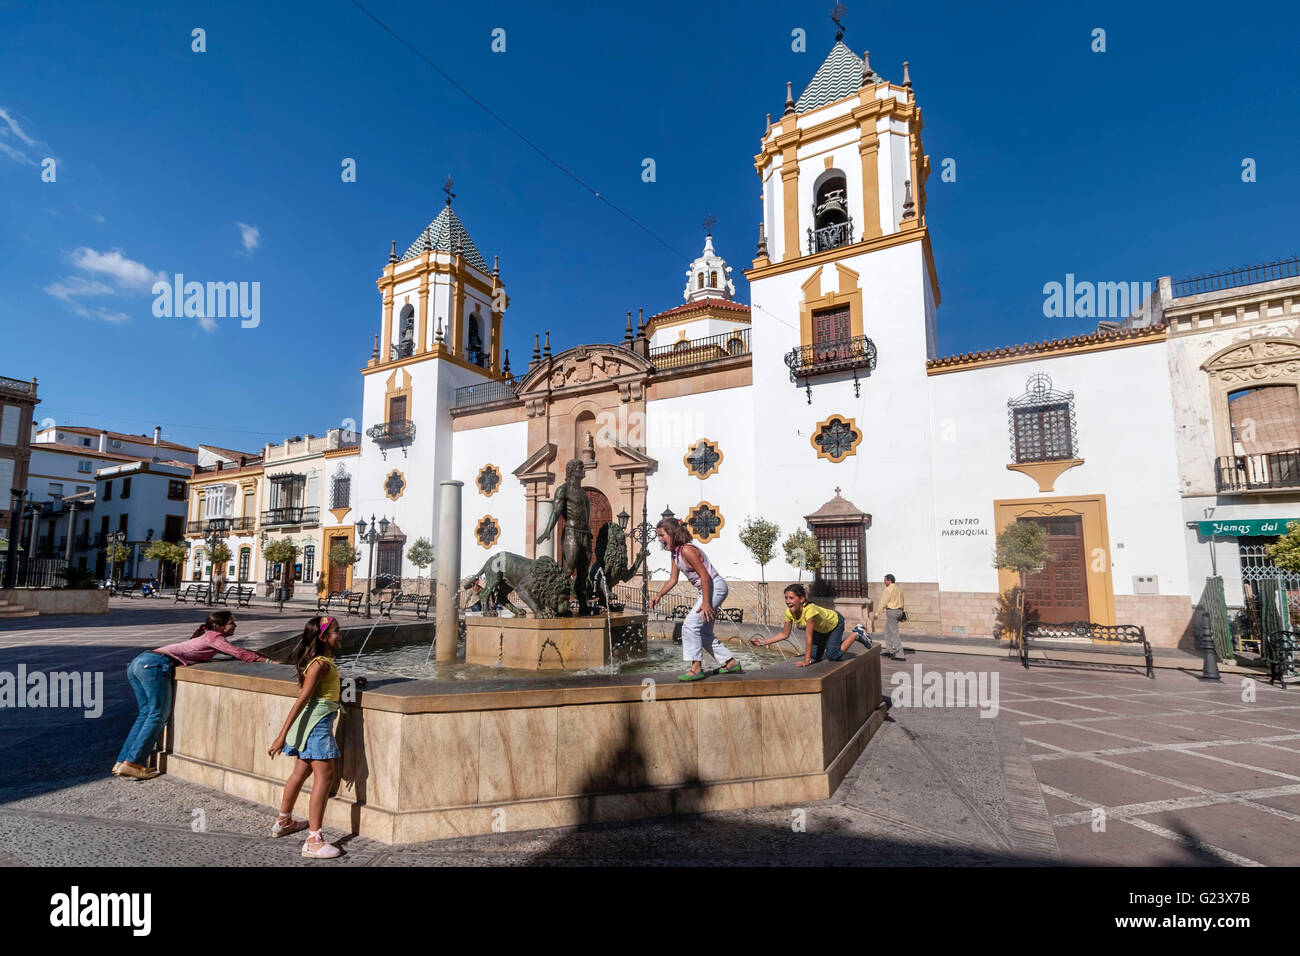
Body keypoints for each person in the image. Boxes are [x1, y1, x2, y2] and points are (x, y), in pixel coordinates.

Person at [114, 610, 269, 780]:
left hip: (140, 662)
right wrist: (267, 661)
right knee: (157, 714)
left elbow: (231, 650)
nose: (235, 625)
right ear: (219, 626)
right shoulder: (214, 637)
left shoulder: (206, 636)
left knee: (145, 714)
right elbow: (237, 653)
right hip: (154, 665)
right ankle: (133, 763)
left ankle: (122, 763)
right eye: (231, 622)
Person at [269, 615, 344, 859]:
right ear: (323, 637)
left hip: (311, 723)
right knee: (325, 777)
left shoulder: (320, 662)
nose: (339, 634)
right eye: (335, 631)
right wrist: (281, 736)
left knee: (300, 773)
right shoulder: (320, 664)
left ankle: (284, 821)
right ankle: (314, 840)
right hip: (317, 725)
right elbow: (302, 700)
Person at [649, 517, 740, 681]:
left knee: (690, 625)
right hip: (707, 589)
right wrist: (659, 595)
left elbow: (704, 575)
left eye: (662, 535)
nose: (659, 539)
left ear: (672, 533)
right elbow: (672, 579)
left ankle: (696, 668)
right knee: (703, 632)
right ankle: (730, 662)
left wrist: (706, 602)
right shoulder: (675, 554)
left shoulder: (687, 550)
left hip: (714, 586)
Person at [752, 583, 869, 665]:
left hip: (835, 623)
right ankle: (829, 642)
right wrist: (763, 642)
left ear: (801, 599)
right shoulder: (789, 613)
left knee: (833, 656)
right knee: (815, 656)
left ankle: (856, 633)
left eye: (791, 598)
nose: (788, 601)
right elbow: (784, 634)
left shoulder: (810, 610)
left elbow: (808, 637)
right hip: (821, 630)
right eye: (786, 598)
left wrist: (806, 660)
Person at [881, 573, 906, 660]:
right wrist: (902, 613)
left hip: (892, 611)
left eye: (885, 580)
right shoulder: (899, 590)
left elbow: (883, 602)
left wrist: (877, 613)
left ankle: (900, 654)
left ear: (889, 581)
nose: (884, 582)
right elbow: (902, 601)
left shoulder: (888, 589)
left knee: (894, 633)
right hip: (898, 611)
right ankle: (889, 650)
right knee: (888, 631)